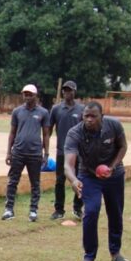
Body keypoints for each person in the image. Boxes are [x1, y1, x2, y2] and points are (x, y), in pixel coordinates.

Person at [64, 101, 130, 261]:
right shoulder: (75, 133)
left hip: (114, 175)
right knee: (91, 212)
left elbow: (123, 146)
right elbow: (68, 165)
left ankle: (115, 253)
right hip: (89, 175)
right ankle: (89, 256)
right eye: (86, 116)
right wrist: (73, 180)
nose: (89, 119)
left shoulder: (113, 125)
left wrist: (113, 167)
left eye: (94, 116)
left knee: (115, 213)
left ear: (102, 116)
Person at [2, 84, 50, 222]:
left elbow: (46, 134)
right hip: (18, 152)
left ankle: (33, 210)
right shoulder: (17, 111)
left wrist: (46, 154)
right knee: (12, 182)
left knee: (35, 183)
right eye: (25, 94)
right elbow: (12, 132)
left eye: (30, 94)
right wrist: (8, 152)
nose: (27, 96)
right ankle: (9, 210)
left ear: (36, 95)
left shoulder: (43, 112)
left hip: (35, 153)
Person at [48, 80, 85, 220]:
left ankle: (77, 208)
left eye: (69, 90)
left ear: (74, 92)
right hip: (62, 152)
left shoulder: (82, 110)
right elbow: (49, 129)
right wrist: (44, 148)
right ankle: (59, 210)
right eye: (64, 90)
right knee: (59, 181)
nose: (66, 92)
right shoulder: (56, 109)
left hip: (79, 152)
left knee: (80, 179)